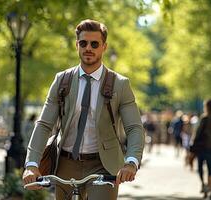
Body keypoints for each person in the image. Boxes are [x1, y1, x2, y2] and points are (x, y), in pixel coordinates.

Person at [22, 19, 145, 200]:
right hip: (66, 162)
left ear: (104, 47)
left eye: (94, 44)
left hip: (104, 164)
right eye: (83, 43)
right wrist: (32, 164)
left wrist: (131, 162)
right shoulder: (62, 81)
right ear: (77, 45)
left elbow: (134, 128)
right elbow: (44, 125)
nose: (89, 48)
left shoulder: (120, 84)